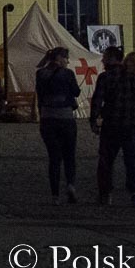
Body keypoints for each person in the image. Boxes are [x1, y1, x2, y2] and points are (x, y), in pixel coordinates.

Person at [90, 47, 135, 208]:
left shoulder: (105, 77)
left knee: (106, 161)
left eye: (105, 57)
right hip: (132, 125)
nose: (103, 60)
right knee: (133, 161)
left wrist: (94, 120)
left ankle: (105, 194)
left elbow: (97, 100)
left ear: (113, 58)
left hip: (111, 125)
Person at [36, 47, 81, 202]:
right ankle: (70, 184)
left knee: (54, 157)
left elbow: (40, 94)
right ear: (60, 58)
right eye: (66, 58)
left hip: (47, 118)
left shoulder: (40, 73)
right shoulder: (67, 73)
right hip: (65, 117)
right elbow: (76, 92)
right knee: (69, 155)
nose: (67, 61)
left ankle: (55, 195)